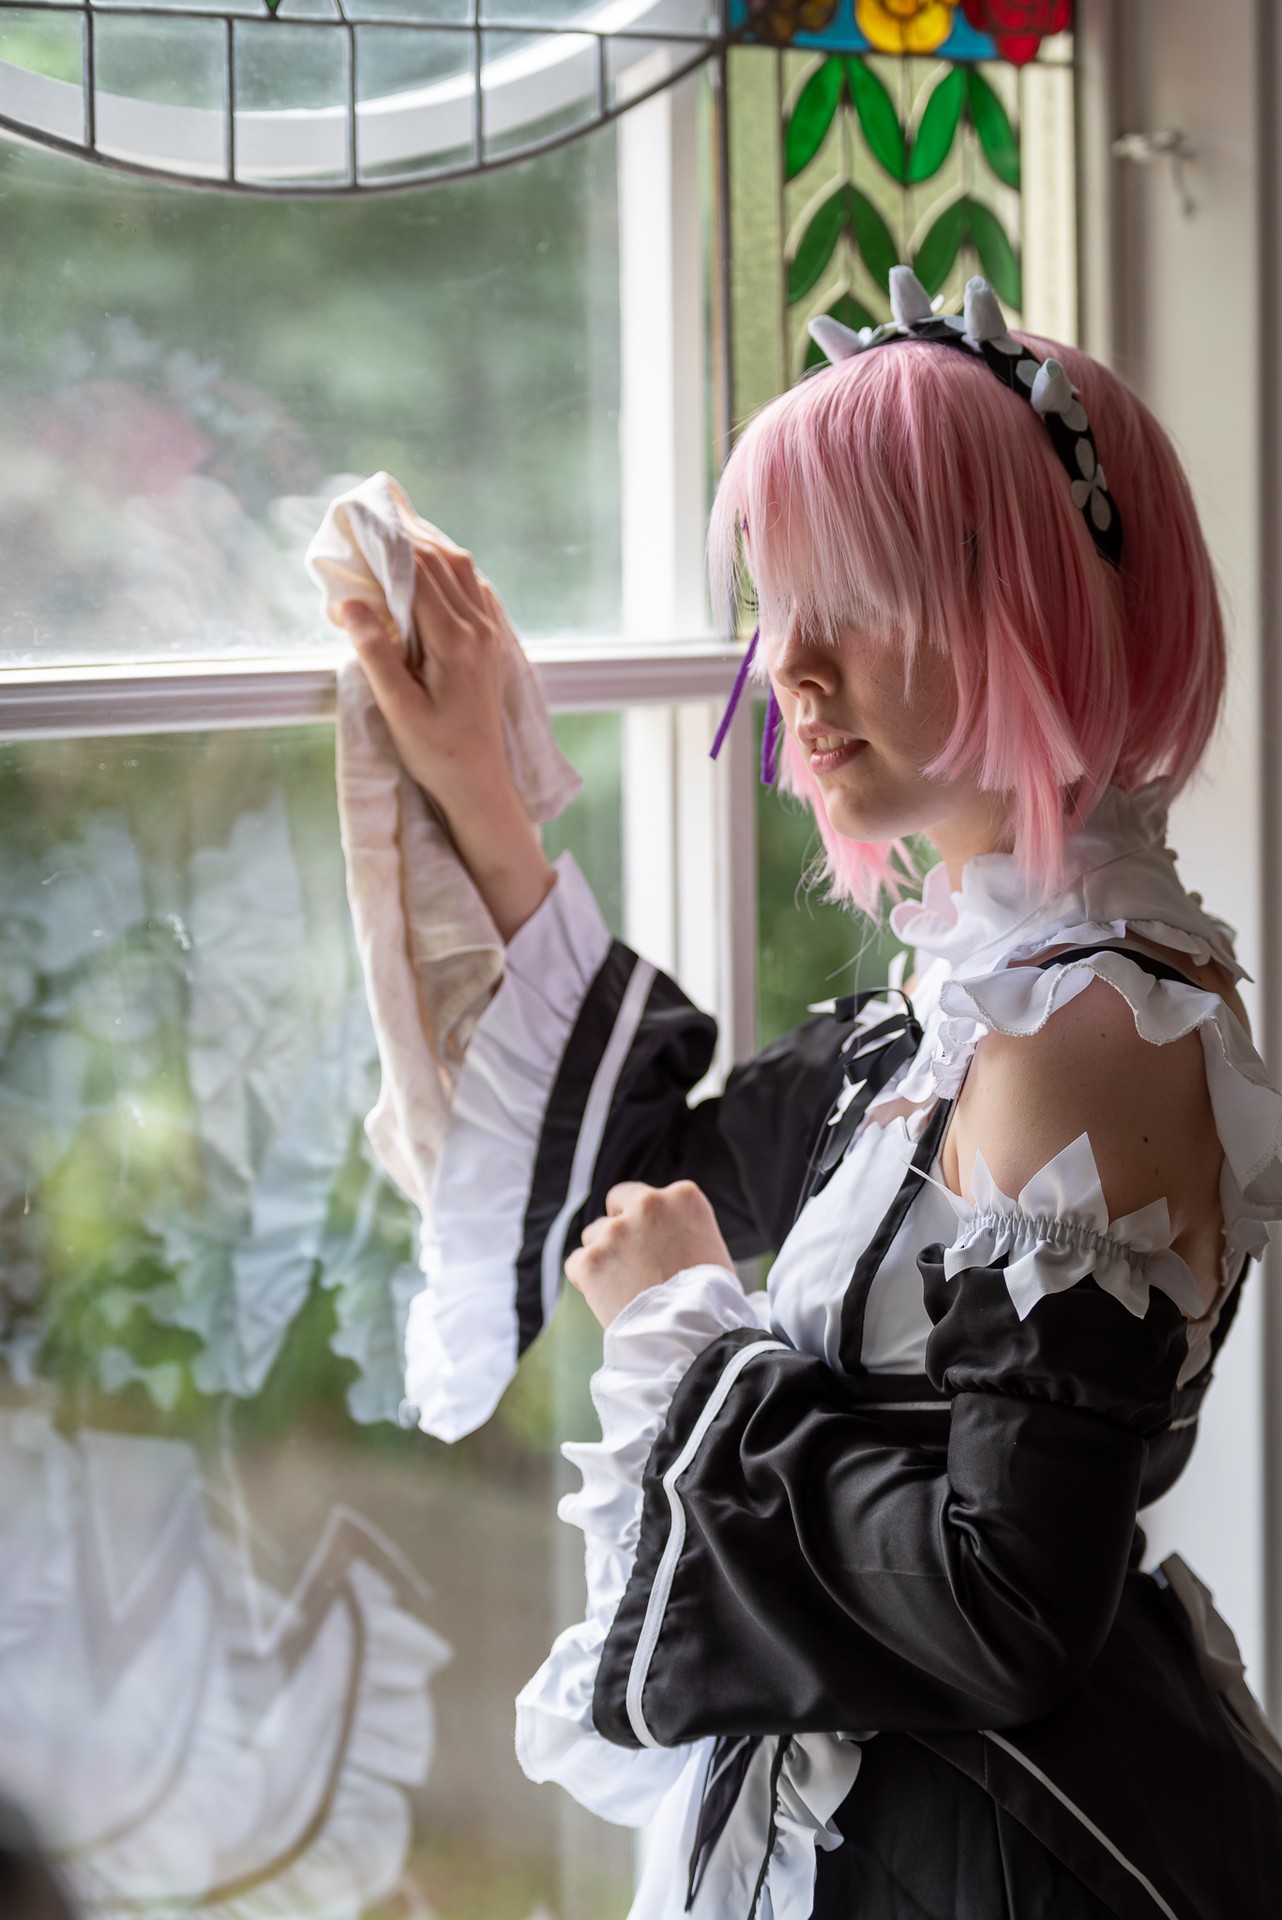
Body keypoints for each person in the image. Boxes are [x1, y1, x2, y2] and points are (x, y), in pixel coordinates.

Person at [342, 270, 1282, 1918]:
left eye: (855, 599)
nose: (789, 661)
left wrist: (686, 1333)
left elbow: (1004, 1607)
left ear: (1034, 613)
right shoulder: (968, 1000)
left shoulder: (1083, 1029)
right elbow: (646, 1179)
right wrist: (481, 787)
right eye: (777, 602)